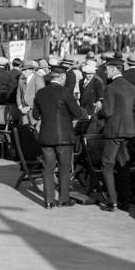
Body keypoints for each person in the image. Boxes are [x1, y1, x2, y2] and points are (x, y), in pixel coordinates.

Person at [32, 65, 85, 209]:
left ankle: (48, 201)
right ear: (62, 77)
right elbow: (78, 113)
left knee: (48, 168)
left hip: (46, 136)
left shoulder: (41, 93)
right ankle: (63, 199)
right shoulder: (65, 92)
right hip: (64, 136)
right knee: (64, 167)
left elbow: (35, 115)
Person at [96, 58, 135, 212]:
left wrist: (97, 113)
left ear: (115, 69)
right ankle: (124, 202)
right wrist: (127, 123)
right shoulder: (131, 87)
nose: (105, 71)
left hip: (114, 132)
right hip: (129, 132)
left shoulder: (110, 88)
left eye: (107, 69)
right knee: (124, 166)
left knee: (107, 165)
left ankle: (112, 201)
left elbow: (107, 111)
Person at [17, 60, 44, 127]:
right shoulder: (21, 79)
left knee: (34, 129)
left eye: (25, 70)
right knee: (24, 130)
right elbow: (18, 94)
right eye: (22, 70)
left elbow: (40, 96)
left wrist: (29, 107)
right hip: (23, 110)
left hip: (33, 110)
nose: (23, 72)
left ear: (31, 70)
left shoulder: (38, 79)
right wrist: (20, 107)